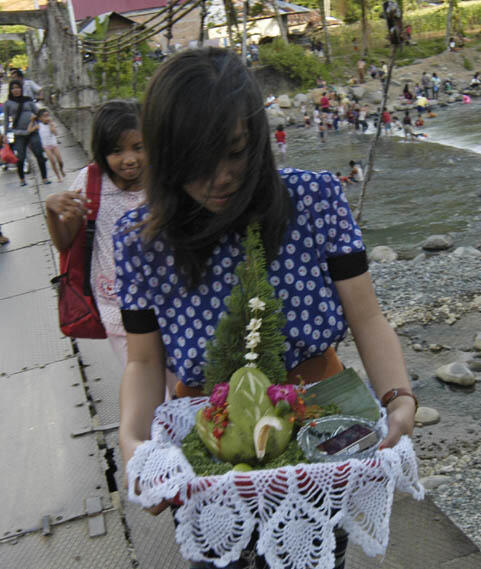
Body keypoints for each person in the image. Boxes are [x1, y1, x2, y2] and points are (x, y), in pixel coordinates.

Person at [113, 48, 415, 568]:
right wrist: (132, 441)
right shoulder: (141, 241)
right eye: (195, 163)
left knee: (317, 556)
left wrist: (399, 397)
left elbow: (367, 318)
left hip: (319, 424)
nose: (221, 178)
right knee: (217, 558)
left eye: (235, 152)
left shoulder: (316, 200)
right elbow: (143, 361)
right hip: (209, 432)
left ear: (256, 138)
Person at [46, 101, 178, 397]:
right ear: (102, 152)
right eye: (116, 151)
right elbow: (64, 242)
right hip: (119, 311)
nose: (129, 159)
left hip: (171, 304)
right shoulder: (91, 183)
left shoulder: (165, 179)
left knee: (184, 388)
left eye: (138, 147)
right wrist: (52, 212)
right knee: (154, 393)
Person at [3, 79, 50, 186]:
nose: (16, 90)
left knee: (39, 153)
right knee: (21, 157)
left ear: (21, 88)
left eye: (18, 87)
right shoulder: (8, 104)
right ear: (10, 90)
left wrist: (40, 120)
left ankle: (45, 178)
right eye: (13, 88)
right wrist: (5, 134)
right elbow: (6, 119)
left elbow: (37, 112)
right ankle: (22, 180)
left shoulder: (28, 100)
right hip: (19, 134)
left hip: (33, 132)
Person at [37, 108, 65, 182]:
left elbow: (55, 133)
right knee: (52, 161)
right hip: (46, 146)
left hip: (54, 144)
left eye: (47, 116)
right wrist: (32, 120)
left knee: (60, 161)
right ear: (40, 118)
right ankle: (58, 176)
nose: (47, 118)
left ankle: (61, 169)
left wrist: (51, 125)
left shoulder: (51, 124)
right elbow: (29, 130)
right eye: (44, 116)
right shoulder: (39, 125)